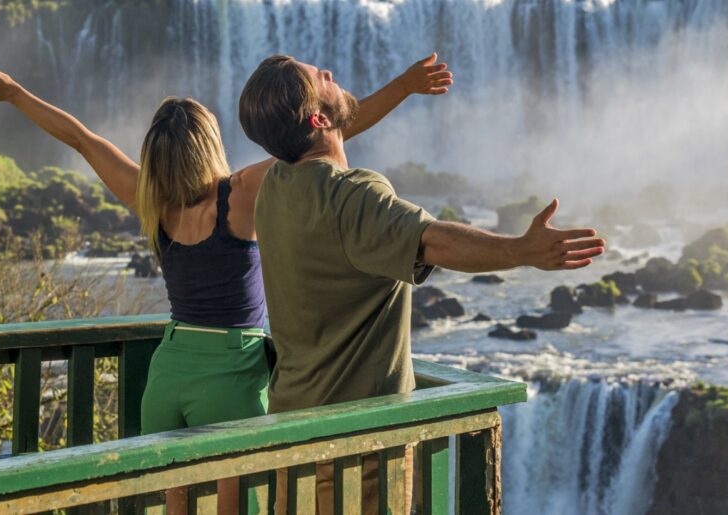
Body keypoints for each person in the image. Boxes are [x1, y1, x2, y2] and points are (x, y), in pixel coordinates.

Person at [0, 56, 454, 515]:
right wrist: (403, 86)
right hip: (230, 373)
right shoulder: (238, 196)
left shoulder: (151, 203)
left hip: (168, 373)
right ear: (209, 146)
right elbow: (322, 131)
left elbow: (81, 138)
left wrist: (14, 93)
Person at [238, 53, 606, 513]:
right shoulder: (353, 197)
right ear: (318, 117)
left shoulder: (276, 182)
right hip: (359, 444)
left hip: (291, 430)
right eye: (320, 78)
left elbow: (330, 131)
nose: (330, 71)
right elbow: (434, 242)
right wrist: (521, 251)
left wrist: (404, 85)